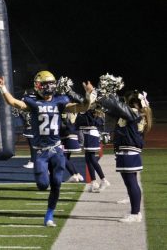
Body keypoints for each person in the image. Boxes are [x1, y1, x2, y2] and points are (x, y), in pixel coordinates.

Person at [0, 71, 92, 227]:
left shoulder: (60, 101)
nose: (48, 87)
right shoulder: (33, 102)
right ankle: (46, 188)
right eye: (45, 84)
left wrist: (88, 95)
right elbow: (13, 102)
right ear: (38, 86)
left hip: (56, 149)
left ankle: (49, 216)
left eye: (51, 84)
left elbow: (81, 107)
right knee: (42, 185)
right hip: (40, 151)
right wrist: (3, 88)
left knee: (56, 183)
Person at [96, 89, 152, 223]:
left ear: (134, 103)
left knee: (131, 182)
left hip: (129, 151)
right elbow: (112, 109)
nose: (125, 104)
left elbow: (116, 106)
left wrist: (107, 93)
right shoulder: (133, 113)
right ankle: (134, 210)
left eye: (128, 102)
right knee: (129, 182)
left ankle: (135, 213)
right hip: (126, 151)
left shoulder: (133, 113)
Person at [76, 105, 110, 192]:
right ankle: (94, 181)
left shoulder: (95, 109)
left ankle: (103, 180)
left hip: (91, 133)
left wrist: (86, 110)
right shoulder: (90, 109)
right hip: (88, 133)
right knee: (88, 159)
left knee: (92, 159)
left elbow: (93, 120)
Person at [61, 112, 84, 183]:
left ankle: (74, 175)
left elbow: (63, 125)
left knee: (62, 157)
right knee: (67, 158)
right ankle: (77, 174)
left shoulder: (66, 112)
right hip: (74, 136)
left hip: (67, 137)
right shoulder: (75, 112)